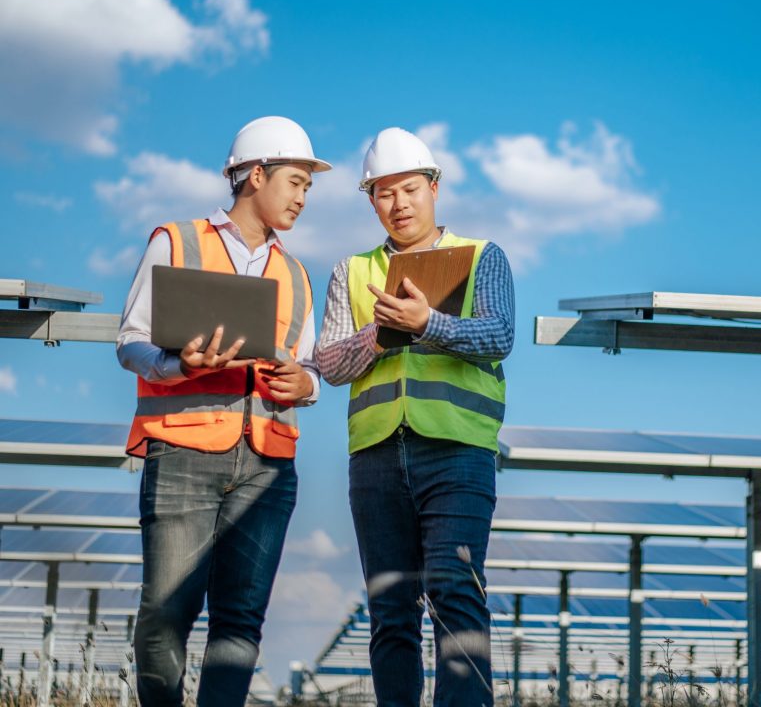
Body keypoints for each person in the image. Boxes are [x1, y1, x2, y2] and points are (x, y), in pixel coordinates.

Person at [117, 116, 330, 706]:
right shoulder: (177, 241)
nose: (302, 197)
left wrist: (303, 385)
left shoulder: (296, 273)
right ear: (255, 175)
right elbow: (130, 340)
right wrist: (179, 364)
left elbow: (308, 368)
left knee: (240, 624)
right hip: (183, 450)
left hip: (267, 464)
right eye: (295, 181)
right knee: (165, 615)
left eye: (308, 186)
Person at [316, 127, 514, 706]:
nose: (398, 204)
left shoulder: (483, 256)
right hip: (375, 458)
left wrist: (428, 323)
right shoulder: (350, 271)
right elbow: (328, 362)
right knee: (390, 606)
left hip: (457, 452)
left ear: (434, 187)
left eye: (409, 189)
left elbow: (498, 334)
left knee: (456, 592)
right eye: (383, 193)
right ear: (370, 200)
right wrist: (381, 335)